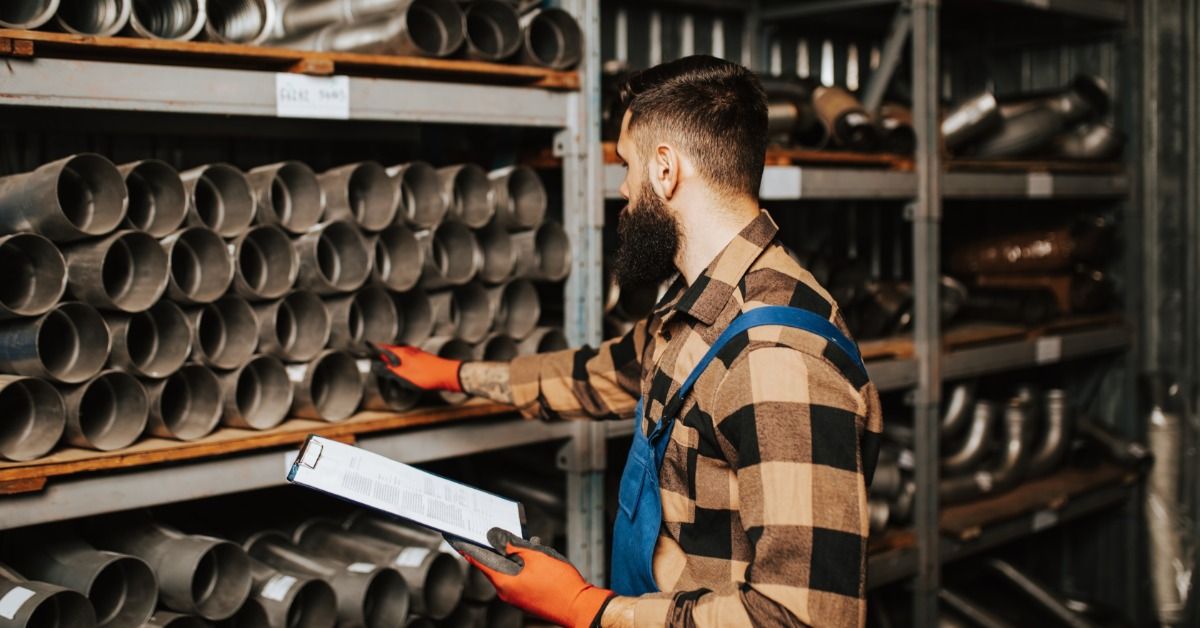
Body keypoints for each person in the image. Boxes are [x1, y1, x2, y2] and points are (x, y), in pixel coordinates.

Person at [374, 55, 883, 628]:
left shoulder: (777, 358)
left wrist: (586, 608)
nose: (621, 188)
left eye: (626, 163)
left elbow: (804, 618)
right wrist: (455, 376)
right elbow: (600, 372)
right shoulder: (704, 305)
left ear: (665, 170)